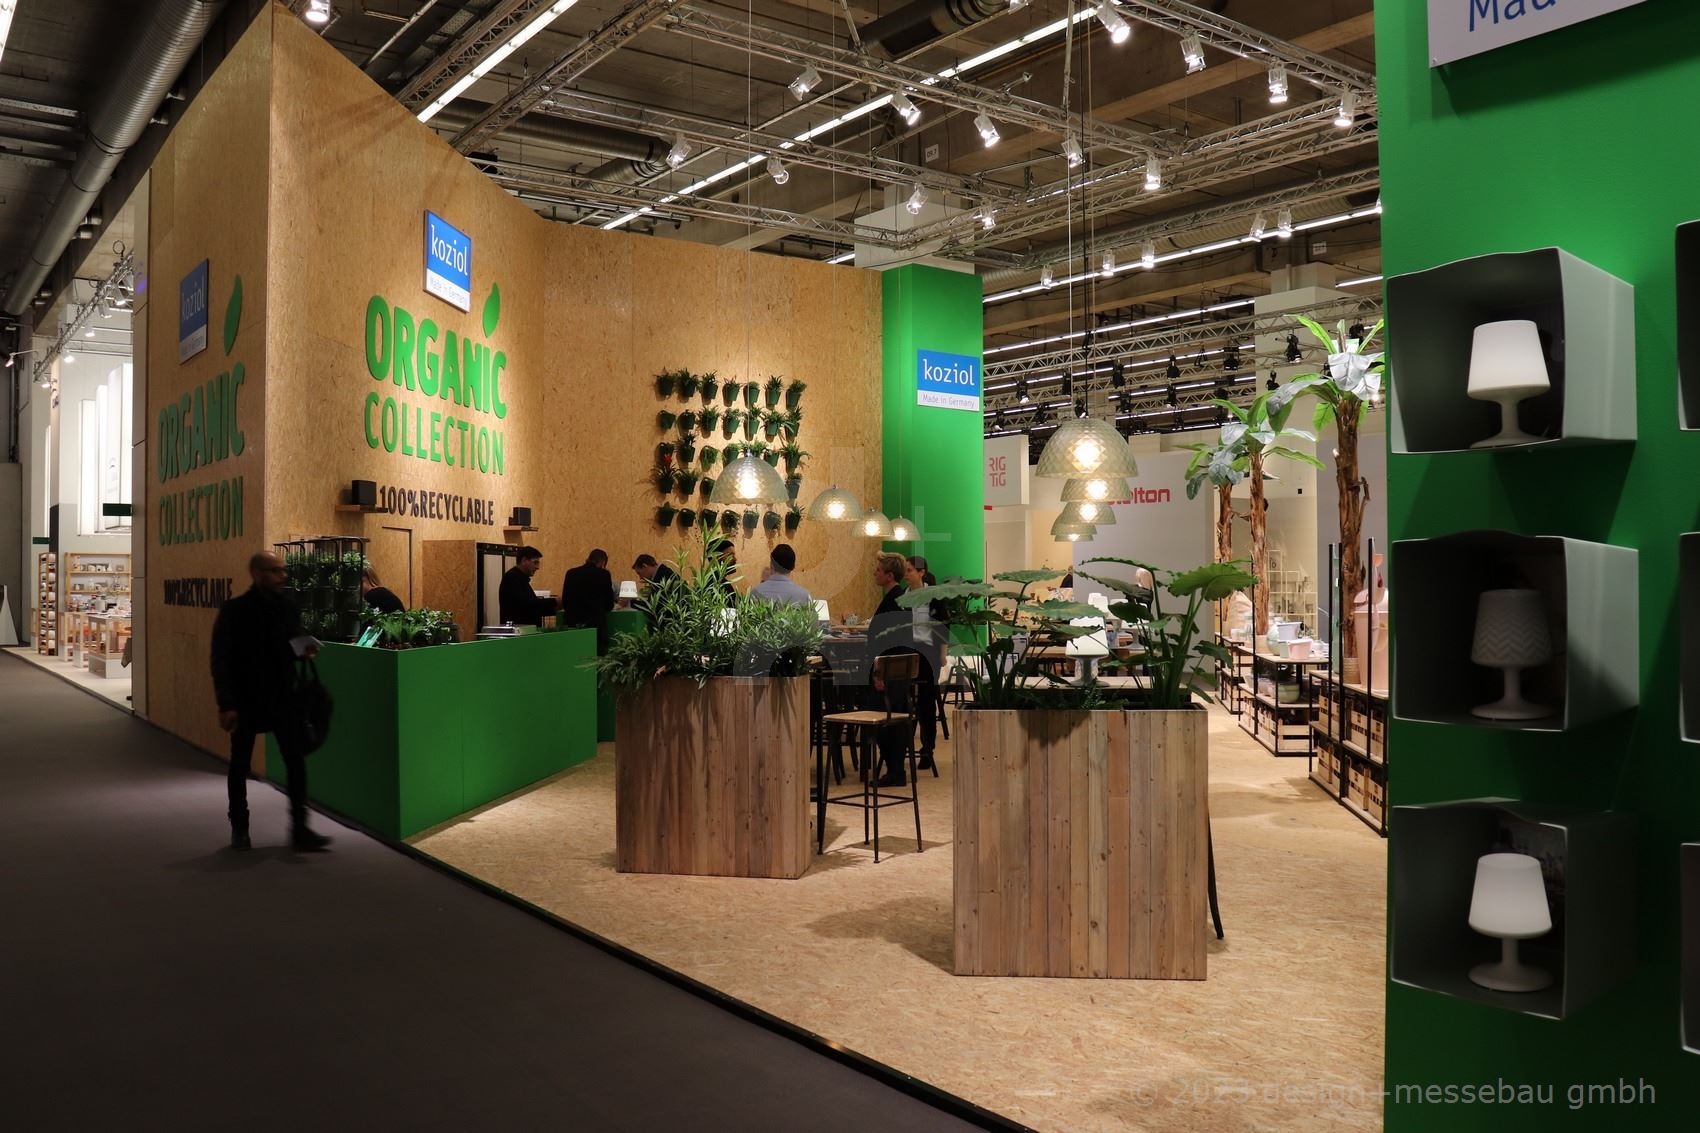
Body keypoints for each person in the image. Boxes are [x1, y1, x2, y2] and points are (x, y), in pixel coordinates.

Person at [210, 550, 329, 852]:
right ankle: (240, 827)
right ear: (257, 574)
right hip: (246, 700)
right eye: (275, 571)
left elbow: (289, 646)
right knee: (240, 765)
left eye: (283, 570)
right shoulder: (235, 611)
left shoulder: (287, 607)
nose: (282, 576)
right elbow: (220, 660)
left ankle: (300, 828)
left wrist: (304, 649)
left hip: (284, 698)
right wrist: (226, 704)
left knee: (295, 761)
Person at [866, 552, 914, 788]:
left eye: (878, 570)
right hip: (897, 671)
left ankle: (895, 770)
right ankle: (896, 769)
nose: (874, 573)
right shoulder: (899, 599)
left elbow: (889, 641)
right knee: (892, 720)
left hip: (889, 672)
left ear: (889, 575)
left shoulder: (893, 601)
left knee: (884, 720)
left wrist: (879, 673)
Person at [904, 554, 946, 772]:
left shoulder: (934, 595)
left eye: (910, 570)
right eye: (905, 570)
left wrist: (942, 653)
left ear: (921, 572)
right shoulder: (902, 597)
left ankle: (927, 749)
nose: (906, 574)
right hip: (908, 653)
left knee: (926, 703)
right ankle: (904, 745)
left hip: (928, 652)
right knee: (905, 700)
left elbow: (943, 625)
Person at [560, 548, 616, 647]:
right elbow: (609, 604)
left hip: (572, 624)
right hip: (595, 626)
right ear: (603, 563)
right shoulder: (604, 574)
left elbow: (565, 601)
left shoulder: (571, 573)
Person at [499, 545, 557, 627]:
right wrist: (554, 602)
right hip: (518, 631)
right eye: (535, 562)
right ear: (524, 560)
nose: (537, 567)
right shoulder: (512, 578)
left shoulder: (519, 578)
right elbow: (526, 605)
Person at [709, 538, 739, 606]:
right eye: (730, 555)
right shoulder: (716, 585)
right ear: (716, 557)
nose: (735, 559)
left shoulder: (722, 583)